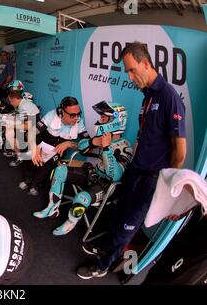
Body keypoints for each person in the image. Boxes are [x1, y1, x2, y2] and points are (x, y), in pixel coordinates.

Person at [76, 41, 187, 280]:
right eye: (126, 71)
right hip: (136, 170)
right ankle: (105, 249)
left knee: (128, 225)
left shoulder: (168, 97)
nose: (129, 76)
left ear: (145, 63)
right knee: (117, 214)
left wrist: (166, 187)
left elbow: (180, 151)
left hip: (151, 178)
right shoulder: (148, 96)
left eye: (132, 69)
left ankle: (102, 265)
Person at [33, 101, 133, 236]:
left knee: (81, 198)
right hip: (94, 173)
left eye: (104, 118)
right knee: (60, 170)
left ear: (116, 121)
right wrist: (93, 142)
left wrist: (106, 148)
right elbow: (81, 147)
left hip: (107, 186)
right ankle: (52, 207)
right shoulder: (101, 137)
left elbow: (115, 176)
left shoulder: (125, 146)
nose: (100, 120)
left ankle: (70, 223)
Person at [19, 96, 88, 196]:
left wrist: (68, 143)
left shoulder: (79, 122)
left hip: (57, 149)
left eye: (78, 114)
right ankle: (28, 178)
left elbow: (86, 146)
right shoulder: (52, 115)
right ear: (62, 112)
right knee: (30, 153)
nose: (76, 118)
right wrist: (34, 148)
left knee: (49, 162)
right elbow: (29, 133)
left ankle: (36, 184)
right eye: (73, 115)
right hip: (42, 142)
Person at [2, 80, 40, 167]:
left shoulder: (24, 106)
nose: (10, 103)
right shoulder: (21, 103)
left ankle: (20, 156)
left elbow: (28, 126)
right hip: (30, 126)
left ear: (13, 98)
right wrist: (7, 119)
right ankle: (17, 152)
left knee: (9, 133)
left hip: (33, 130)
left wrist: (10, 124)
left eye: (11, 101)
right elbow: (21, 118)